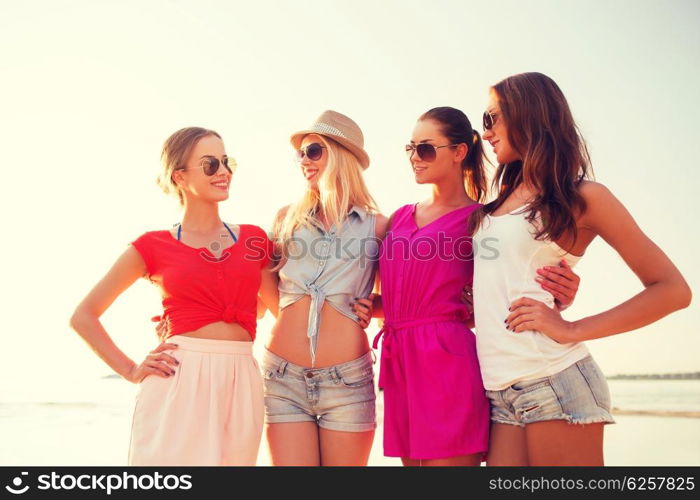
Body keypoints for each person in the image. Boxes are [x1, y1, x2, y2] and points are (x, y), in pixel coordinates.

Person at [471, 72, 692, 466]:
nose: (484, 132)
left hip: (553, 381)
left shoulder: (584, 197)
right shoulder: (496, 202)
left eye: (491, 118)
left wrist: (571, 328)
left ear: (528, 115)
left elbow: (673, 289)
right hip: (500, 390)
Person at [352, 107, 582, 466]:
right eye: (410, 148)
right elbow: (407, 293)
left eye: (425, 148)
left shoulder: (481, 221)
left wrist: (562, 290)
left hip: (448, 364)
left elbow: (516, 273)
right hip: (401, 365)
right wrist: (374, 305)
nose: (415, 157)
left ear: (459, 152)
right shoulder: (398, 218)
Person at [70, 127, 274, 465]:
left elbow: (278, 309)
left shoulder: (256, 240)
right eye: (210, 165)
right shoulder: (152, 246)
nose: (223, 172)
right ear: (180, 176)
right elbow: (83, 316)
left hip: (242, 380)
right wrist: (131, 369)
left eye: (227, 162)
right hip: (177, 379)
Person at [259, 110, 389, 466]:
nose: (303, 160)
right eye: (300, 153)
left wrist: (374, 308)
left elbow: (403, 293)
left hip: (346, 381)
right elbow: (262, 278)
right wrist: (288, 314)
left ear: (340, 155)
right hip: (282, 377)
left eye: (313, 151)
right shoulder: (286, 218)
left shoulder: (378, 226)